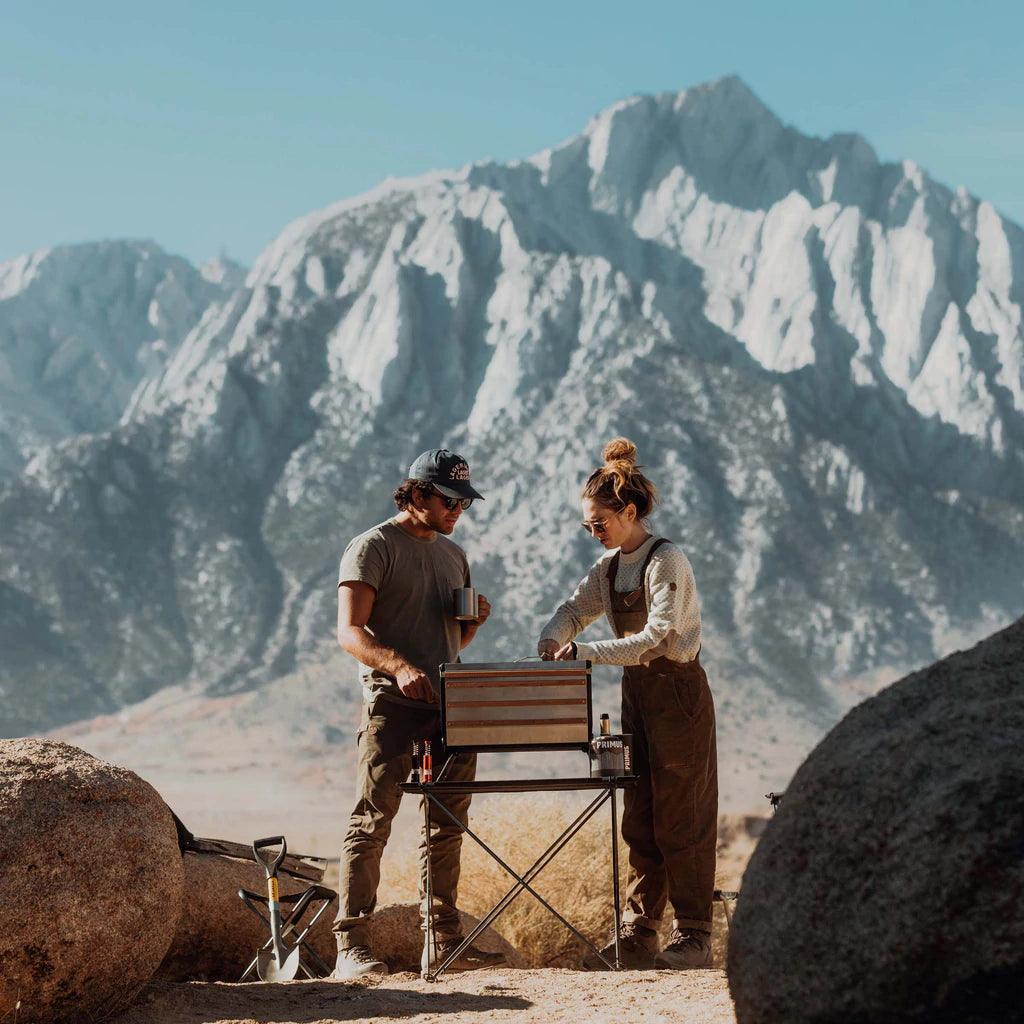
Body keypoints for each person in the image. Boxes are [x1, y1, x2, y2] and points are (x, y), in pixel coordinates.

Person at [536, 437, 717, 970]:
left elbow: (658, 638)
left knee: (680, 814)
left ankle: (695, 935)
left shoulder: (667, 561)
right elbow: (574, 608)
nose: (593, 533)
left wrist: (584, 651)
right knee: (638, 812)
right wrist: (551, 637)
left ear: (629, 511)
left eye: (599, 523)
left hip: (678, 692)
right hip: (635, 693)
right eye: (587, 526)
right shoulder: (609, 569)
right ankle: (640, 932)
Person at [332, 448, 505, 979]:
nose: (458, 511)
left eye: (464, 503)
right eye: (450, 500)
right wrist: (399, 667)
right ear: (417, 492)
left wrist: (472, 625)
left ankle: (443, 940)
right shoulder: (373, 547)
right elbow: (350, 631)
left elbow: (453, 639)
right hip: (393, 705)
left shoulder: (453, 555)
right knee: (373, 819)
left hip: (450, 706)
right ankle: (351, 945)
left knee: (447, 825)